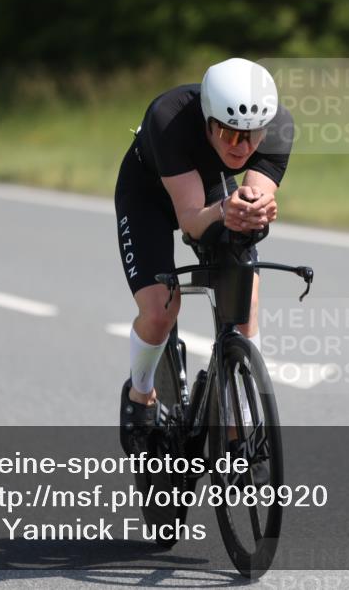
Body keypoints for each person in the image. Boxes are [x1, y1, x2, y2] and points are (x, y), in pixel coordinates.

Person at [114, 58, 293, 452]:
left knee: (246, 300)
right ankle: (140, 394)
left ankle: (238, 429)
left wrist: (254, 207)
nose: (240, 147)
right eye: (228, 134)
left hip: (211, 189)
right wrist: (227, 210)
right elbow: (192, 219)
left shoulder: (278, 128)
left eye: (250, 136)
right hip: (149, 196)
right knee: (161, 310)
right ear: (208, 120)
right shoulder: (170, 117)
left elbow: (253, 197)